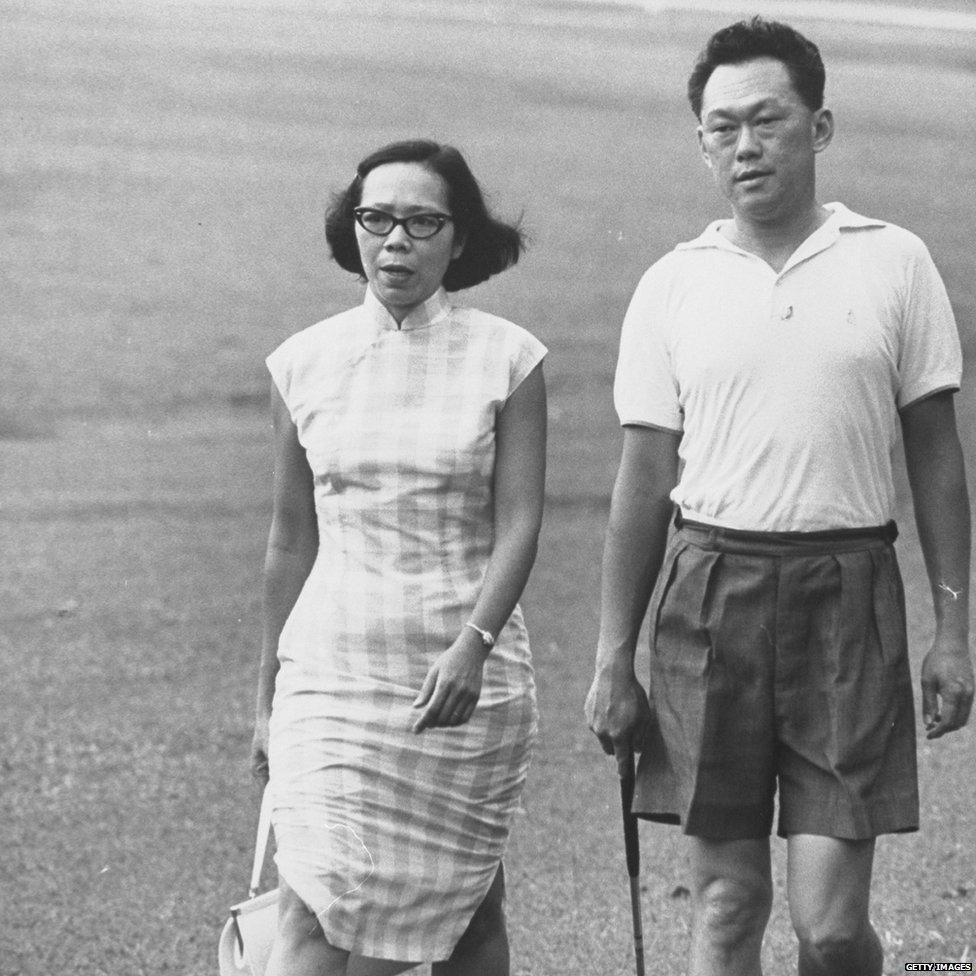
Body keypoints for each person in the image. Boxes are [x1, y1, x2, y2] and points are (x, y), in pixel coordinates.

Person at [585, 17, 973, 976]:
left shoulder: (893, 260)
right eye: (723, 128)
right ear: (702, 141)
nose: (745, 146)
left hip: (849, 595)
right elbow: (642, 481)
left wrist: (954, 629)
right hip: (710, 597)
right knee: (726, 905)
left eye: (768, 120)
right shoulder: (673, 283)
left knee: (831, 927)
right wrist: (612, 657)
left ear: (820, 126)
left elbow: (936, 458)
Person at [250, 139, 547, 976]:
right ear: (352, 229)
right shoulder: (301, 362)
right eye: (376, 219)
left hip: (464, 680)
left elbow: (521, 524)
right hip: (331, 677)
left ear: (460, 239)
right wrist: (265, 701)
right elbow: (289, 541)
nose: (396, 241)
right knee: (310, 905)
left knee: (467, 914)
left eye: (423, 222)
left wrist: (474, 645)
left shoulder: (510, 359)